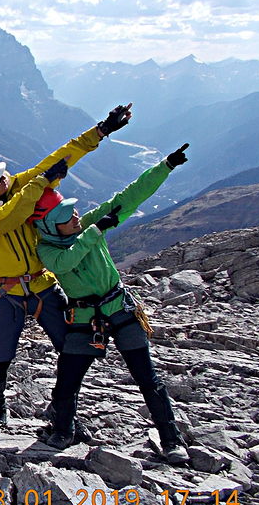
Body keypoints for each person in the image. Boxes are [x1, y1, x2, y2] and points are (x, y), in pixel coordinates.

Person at [0, 104, 132, 436]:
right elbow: (9, 217)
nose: (4, 179)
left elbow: (55, 161)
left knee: (72, 346)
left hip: (39, 284)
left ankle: (63, 411)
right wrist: (37, 185)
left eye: (2, 175)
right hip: (8, 291)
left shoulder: (8, 189)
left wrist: (101, 131)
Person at [29, 143, 191, 463]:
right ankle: (62, 431)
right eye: (66, 216)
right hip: (88, 317)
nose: (75, 216)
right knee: (68, 380)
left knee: (147, 377)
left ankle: (171, 438)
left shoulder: (87, 224)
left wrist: (165, 166)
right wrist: (94, 231)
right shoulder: (47, 251)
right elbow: (64, 262)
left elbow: (128, 197)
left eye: (73, 211)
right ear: (48, 227)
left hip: (116, 309)